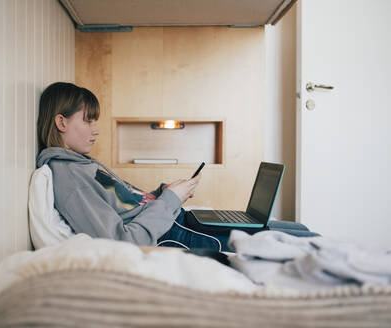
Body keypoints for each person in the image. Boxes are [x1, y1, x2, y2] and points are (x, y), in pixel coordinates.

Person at [36, 82, 316, 252]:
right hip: (172, 235)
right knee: (304, 240)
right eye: (88, 121)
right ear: (62, 123)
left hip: (172, 219)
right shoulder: (69, 177)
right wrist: (170, 200)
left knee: (296, 227)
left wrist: (164, 193)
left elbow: (127, 204)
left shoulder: (82, 164)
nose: (96, 130)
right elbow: (122, 241)